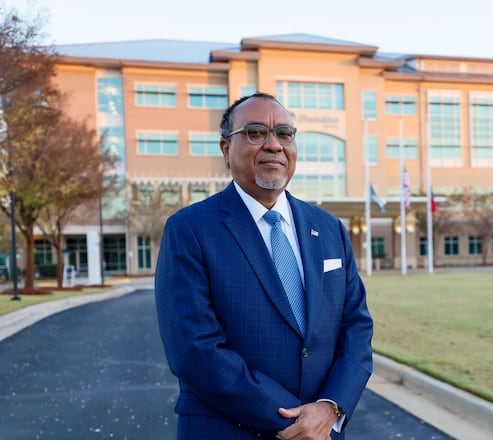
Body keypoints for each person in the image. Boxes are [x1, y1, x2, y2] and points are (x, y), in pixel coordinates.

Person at [155, 92, 374, 440]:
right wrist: (294, 420)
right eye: (256, 132)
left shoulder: (329, 228)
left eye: (284, 134)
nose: (274, 145)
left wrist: (330, 407)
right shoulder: (190, 229)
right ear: (226, 149)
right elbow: (194, 351)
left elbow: (357, 327)